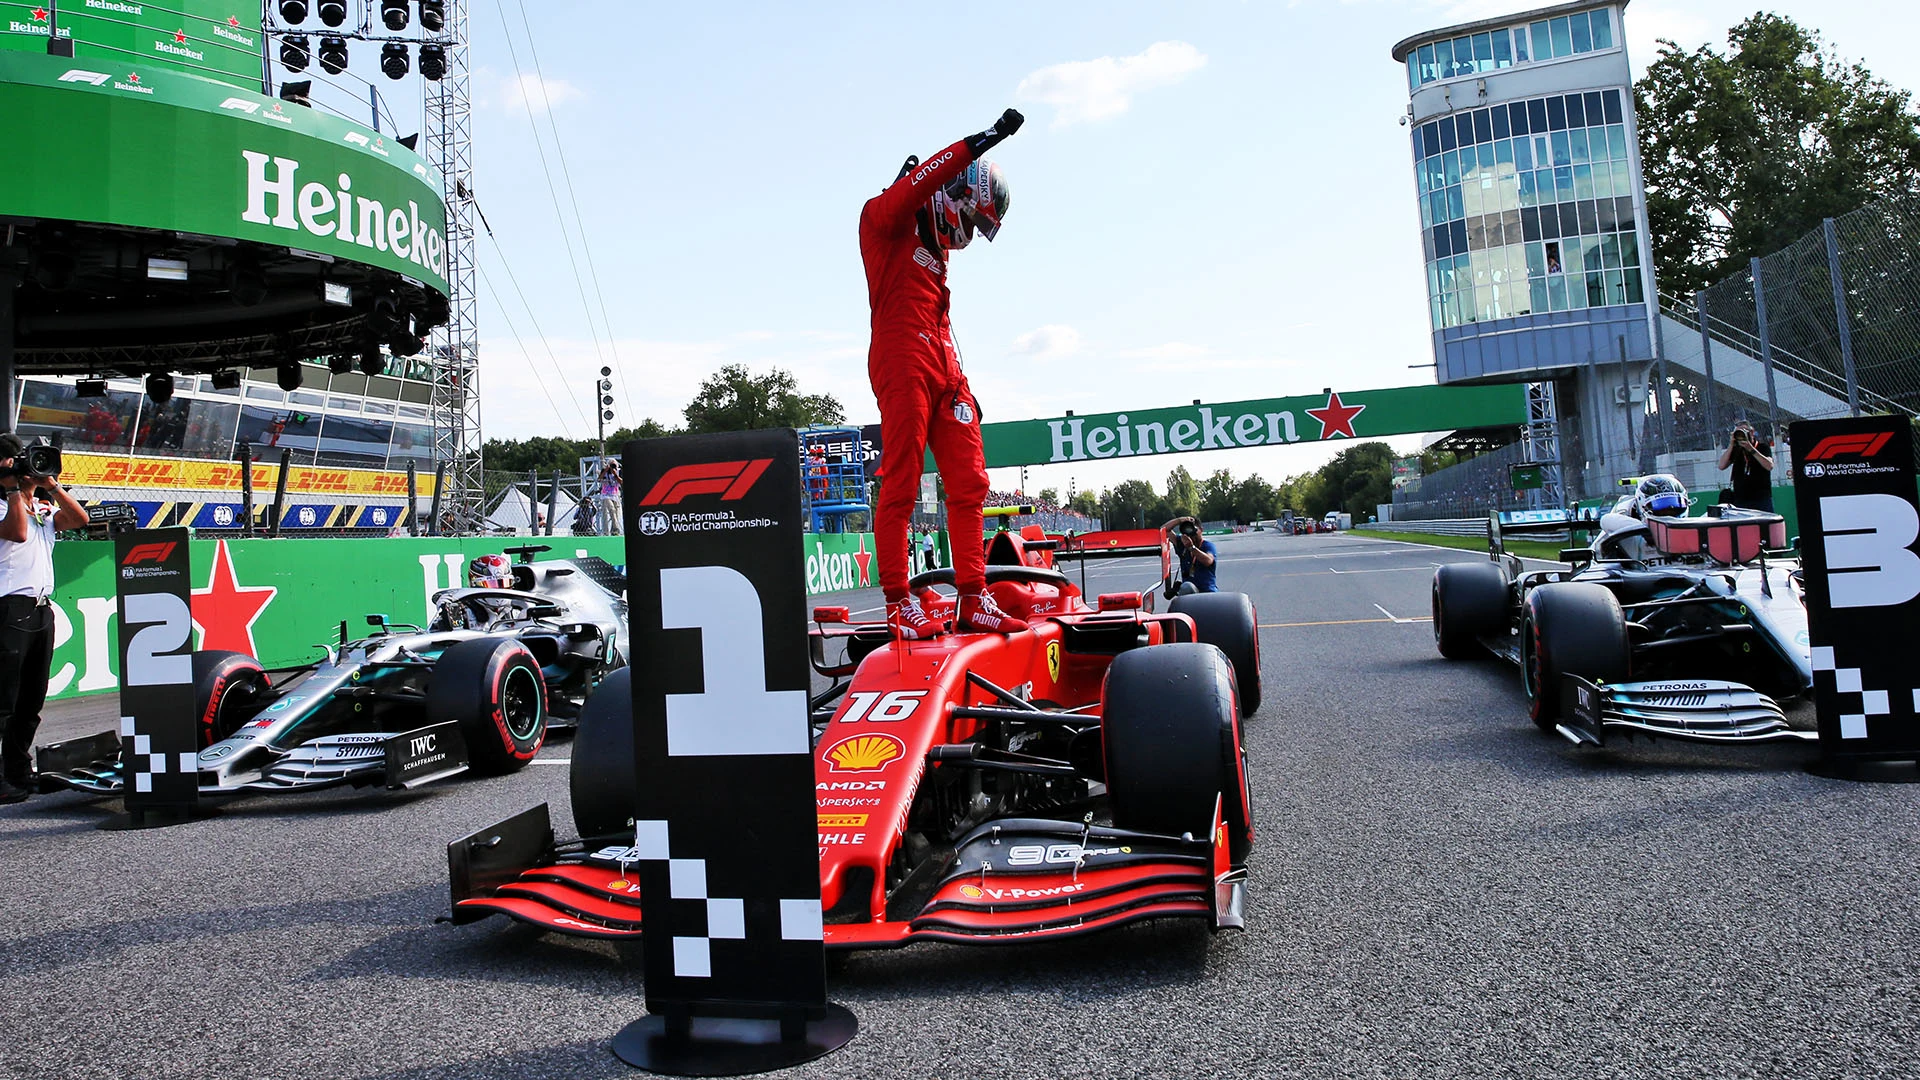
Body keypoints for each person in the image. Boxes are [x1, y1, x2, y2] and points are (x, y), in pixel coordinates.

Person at [863, 106, 1026, 640]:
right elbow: (920, 183)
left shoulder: (937, 248)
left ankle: (973, 597)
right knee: (903, 479)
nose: (971, 235)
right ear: (954, 192)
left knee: (970, 479)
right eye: (975, 221)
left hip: (942, 356)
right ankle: (896, 601)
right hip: (900, 354)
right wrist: (980, 142)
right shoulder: (884, 218)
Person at [0, 435, 88, 804]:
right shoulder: (5, 506)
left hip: (40, 608)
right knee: (4, 700)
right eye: (15, 461)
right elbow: (17, 533)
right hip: (7, 608)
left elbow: (80, 519)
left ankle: (19, 771)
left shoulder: (42, 507)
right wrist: (13, 491)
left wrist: (51, 484)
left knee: (31, 700)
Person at [1717, 417, 1775, 511]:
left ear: (1751, 432)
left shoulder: (1762, 447)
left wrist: (1750, 448)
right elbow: (1721, 466)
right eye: (1738, 433)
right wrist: (1731, 444)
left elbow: (1769, 466)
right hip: (1741, 500)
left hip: (1761, 499)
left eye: (1744, 432)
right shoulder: (1736, 450)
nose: (1741, 435)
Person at [1167, 517, 1219, 593]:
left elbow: (1208, 561)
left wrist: (1191, 548)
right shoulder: (1182, 544)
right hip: (1189, 592)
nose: (1192, 535)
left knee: (1187, 587)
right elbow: (1165, 530)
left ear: (1201, 530)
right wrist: (1180, 520)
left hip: (1207, 591)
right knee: (1186, 587)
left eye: (1194, 531)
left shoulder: (1208, 546)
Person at [598, 459, 622, 536]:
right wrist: (605, 470)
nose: (613, 467)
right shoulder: (605, 471)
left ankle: (614, 532)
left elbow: (621, 482)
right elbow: (599, 479)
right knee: (611, 509)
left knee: (616, 513)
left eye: (614, 465)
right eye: (611, 465)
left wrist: (615, 474)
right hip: (605, 495)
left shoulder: (618, 471)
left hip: (616, 494)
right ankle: (613, 530)